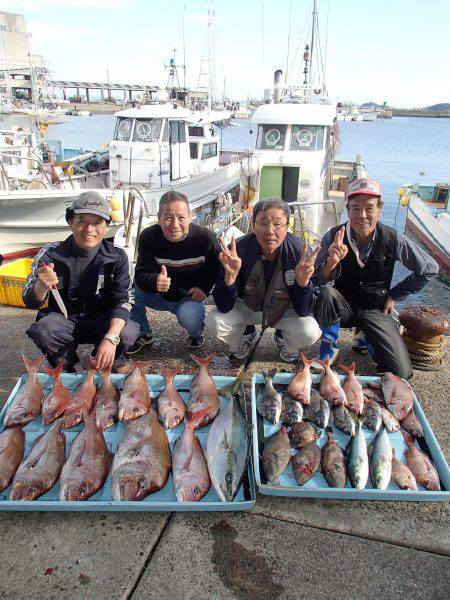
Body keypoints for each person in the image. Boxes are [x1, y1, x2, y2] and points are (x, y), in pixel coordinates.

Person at [314, 177, 439, 378]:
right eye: (355, 208)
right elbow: (316, 281)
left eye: (369, 208)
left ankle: (364, 335)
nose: (362, 215)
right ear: (348, 210)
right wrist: (331, 262)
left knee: (401, 373)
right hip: (342, 308)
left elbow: (429, 269)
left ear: (379, 210)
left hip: (374, 309)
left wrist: (394, 295)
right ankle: (329, 345)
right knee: (326, 292)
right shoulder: (333, 236)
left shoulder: (392, 238)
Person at [23, 191, 139, 372]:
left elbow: (124, 300)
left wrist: (111, 338)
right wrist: (41, 287)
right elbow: (29, 300)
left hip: (103, 319)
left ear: (106, 226)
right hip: (64, 319)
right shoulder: (51, 254)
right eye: (82, 221)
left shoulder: (118, 256)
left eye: (97, 222)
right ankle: (67, 363)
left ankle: (109, 357)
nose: (89, 229)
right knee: (44, 329)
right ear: (70, 222)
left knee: (127, 332)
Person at [205, 198, 322, 362]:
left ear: (287, 226)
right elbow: (223, 306)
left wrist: (303, 284)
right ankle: (246, 334)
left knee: (309, 331)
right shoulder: (237, 251)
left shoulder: (300, 252)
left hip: (283, 309)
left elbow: (305, 310)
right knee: (214, 322)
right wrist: (230, 279)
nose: (270, 231)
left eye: (277, 223)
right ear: (253, 226)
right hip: (247, 307)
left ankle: (284, 339)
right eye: (263, 223)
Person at [127, 191, 221, 353]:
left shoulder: (206, 238)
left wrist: (204, 289)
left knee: (191, 318)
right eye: (169, 217)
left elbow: (216, 270)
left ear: (190, 217)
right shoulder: (148, 237)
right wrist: (155, 281)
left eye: (181, 217)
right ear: (159, 217)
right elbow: (141, 273)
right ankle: (143, 332)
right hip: (157, 295)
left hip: (188, 297)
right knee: (130, 291)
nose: (175, 224)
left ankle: (195, 334)